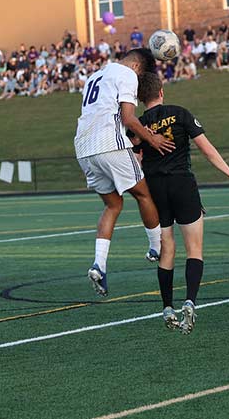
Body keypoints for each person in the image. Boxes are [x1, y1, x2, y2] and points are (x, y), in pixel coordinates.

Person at [135, 73, 229, 333]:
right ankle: (189, 301)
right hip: (182, 184)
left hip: (155, 188)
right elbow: (207, 149)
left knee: (167, 249)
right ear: (161, 91)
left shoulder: (139, 124)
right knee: (194, 249)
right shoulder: (180, 113)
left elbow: (136, 160)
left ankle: (167, 306)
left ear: (140, 98)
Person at [74, 48, 175, 296]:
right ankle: (156, 248)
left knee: (113, 205)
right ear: (138, 67)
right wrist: (153, 140)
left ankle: (99, 264)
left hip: (84, 149)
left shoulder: (94, 76)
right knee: (144, 194)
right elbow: (128, 118)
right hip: (110, 144)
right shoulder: (128, 75)